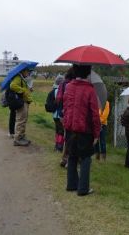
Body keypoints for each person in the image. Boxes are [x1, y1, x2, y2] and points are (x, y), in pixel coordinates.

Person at [63, 65, 100, 196]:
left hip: (70, 128)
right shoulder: (90, 90)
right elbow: (95, 114)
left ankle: (71, 184)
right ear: (88, 74)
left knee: (72, 156)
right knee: (85, 158)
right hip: (85, 129)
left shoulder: (68, 87)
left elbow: (65, 107)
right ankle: (83, 188)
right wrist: (96, 133)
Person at [56, 67, 76, 167]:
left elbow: (58, 99)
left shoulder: (62, 83)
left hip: (62, 114)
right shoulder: (71, 85)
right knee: (70, 137)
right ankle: (68, 160)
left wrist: (60, 113)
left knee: (66, 136)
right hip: (68, 113)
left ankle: (64, 159)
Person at [10, 68, 33, 146]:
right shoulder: (18, 78)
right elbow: (12, 86)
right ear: (23, 71)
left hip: (24, 102)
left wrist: (28, 89)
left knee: (23, 120)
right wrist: (23, 90)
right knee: (21, 120)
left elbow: (23, 88)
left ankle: (21, 137)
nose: (28, 73)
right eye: (27, 71)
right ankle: (17, 139)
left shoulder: (22, 78)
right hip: (21, 102)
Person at [51, 75, 64, 152]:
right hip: (60, 115)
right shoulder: (61, 91)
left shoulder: (53, 90)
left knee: (57, 130)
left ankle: (56, 145)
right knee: (61, 131)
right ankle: (59, 147)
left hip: (54, 114)